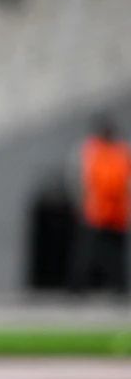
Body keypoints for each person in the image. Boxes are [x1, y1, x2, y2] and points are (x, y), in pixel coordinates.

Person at [72, 114, 131, 294]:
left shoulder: (121, 151)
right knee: (88, 252)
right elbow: (81, 180)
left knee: (116, 254)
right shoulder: (92, 150)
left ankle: (118, 286)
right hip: (96, 212)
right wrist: (81, 204)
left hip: (116, 213)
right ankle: (78, 287)